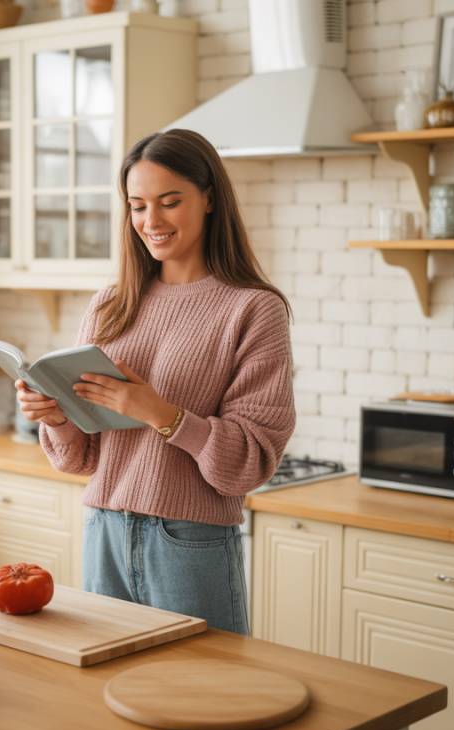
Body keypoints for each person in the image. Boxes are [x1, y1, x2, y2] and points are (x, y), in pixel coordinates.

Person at [15, 129, 295, 634]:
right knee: (110, 690)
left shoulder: (253, 309)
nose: (151, 221)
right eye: (138, 206)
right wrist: (56, 416)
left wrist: (161, 415)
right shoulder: (110, 306)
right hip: (104, 527)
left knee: (204, 695)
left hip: (190, 540)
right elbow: (79, 458)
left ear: (210, 200)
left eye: (170, 202)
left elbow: (250, 463)